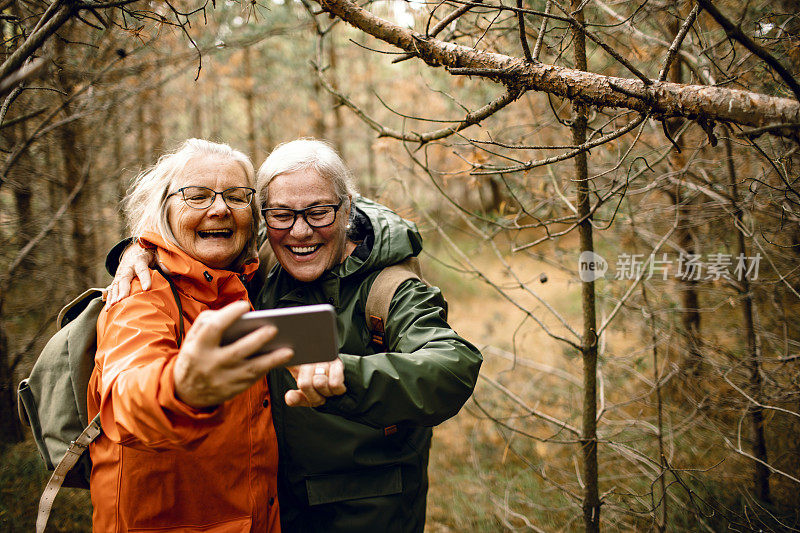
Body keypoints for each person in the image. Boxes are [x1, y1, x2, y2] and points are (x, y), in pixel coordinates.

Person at [109, 138, 483, 532]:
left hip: (366, 516)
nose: (300, 232)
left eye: (318, 212)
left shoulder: (389, 288)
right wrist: (138, 250)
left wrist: (345, 376)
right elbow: (194, 237)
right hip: (273, 512)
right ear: (263, 218)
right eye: (282, 215)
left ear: (347, 209)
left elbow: (453, 364)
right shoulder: (261, 269)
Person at [89, 139, 292, 532]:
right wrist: (182, 388)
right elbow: (126, 398)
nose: (220, 208)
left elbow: (327, 203)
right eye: (196, 196)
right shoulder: (142, 293)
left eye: (236, 196)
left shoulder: (249, 283)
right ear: (163, 210)